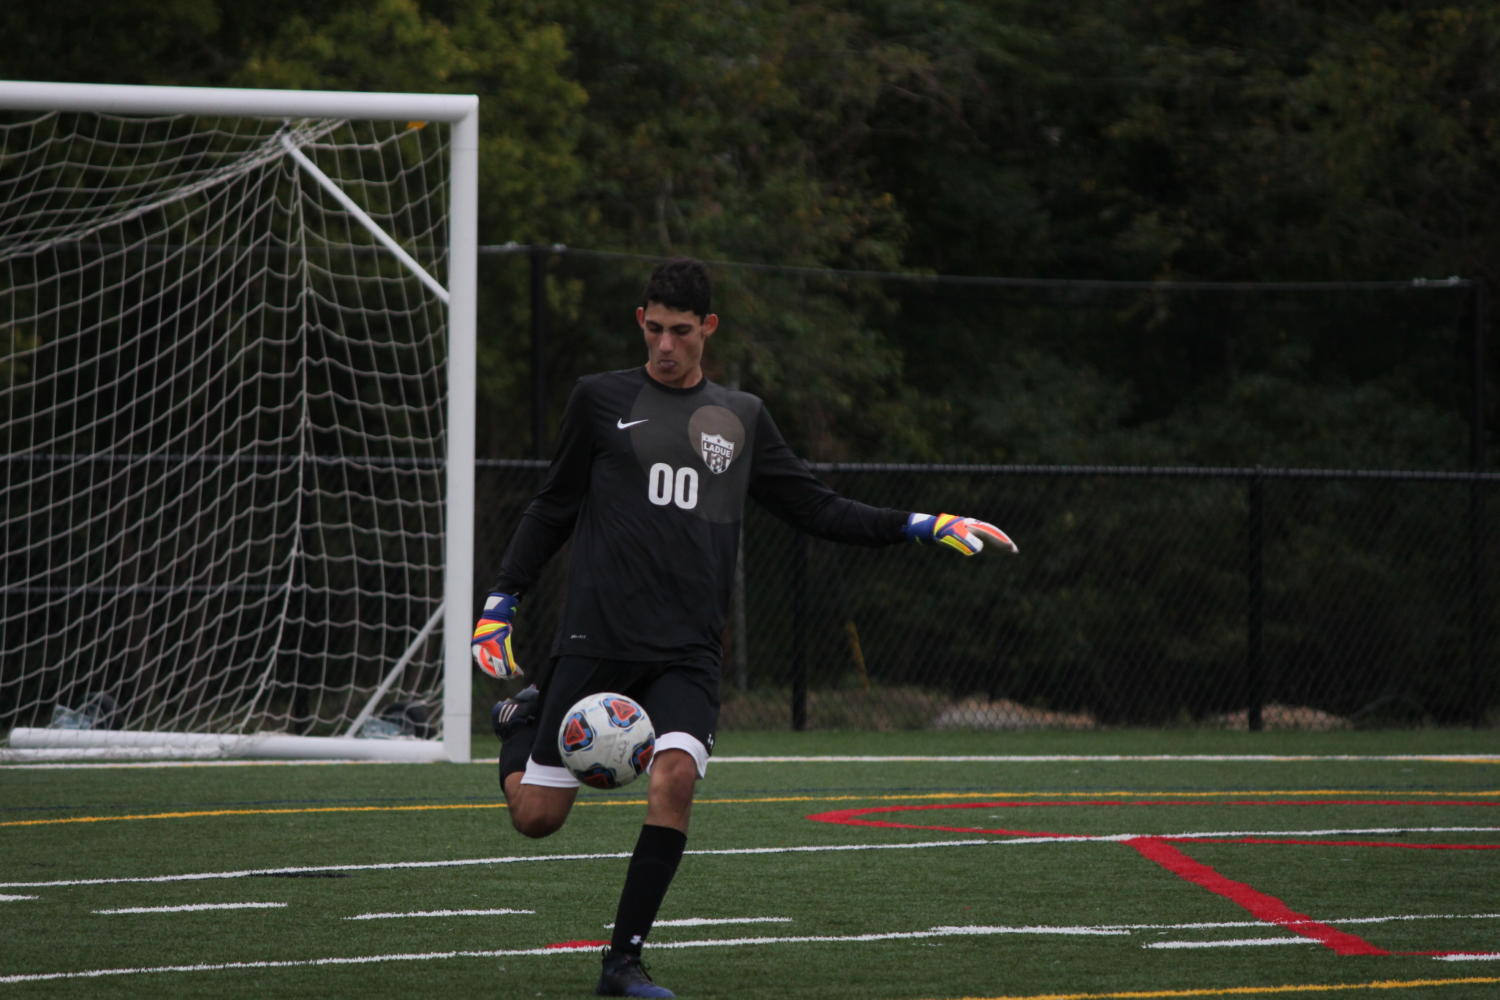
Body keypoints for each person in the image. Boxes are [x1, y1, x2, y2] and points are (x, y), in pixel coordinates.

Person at [471, 257, 1015, 998]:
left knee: (675, 780)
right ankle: (518, 717)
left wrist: (920, 523)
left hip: (689, 651)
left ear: (708, 329)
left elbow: (815, 507)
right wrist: (502, 599)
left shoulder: (741, 417)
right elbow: (552, 505)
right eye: (655, 329)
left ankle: (622, 964)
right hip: (595, 640)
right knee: (536, 818)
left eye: (682, 332)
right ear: (641, 321)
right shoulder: (599, 400)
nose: (666, 345)